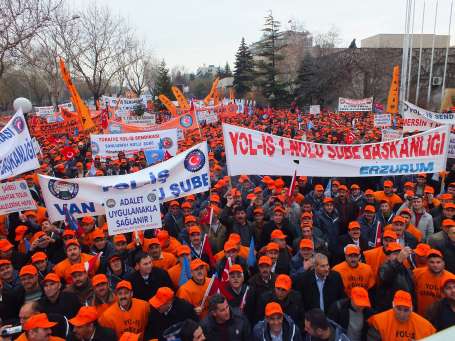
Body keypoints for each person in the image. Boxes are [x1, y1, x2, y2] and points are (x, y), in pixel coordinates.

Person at [367, 290, 436, 340]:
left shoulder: (425, 327)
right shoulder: (379, 322)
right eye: (399, 309)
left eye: (406, 310)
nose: (402, 314)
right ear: (393, 307)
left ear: (411, 309)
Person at [412, 248, 454, 316]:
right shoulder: (417, 273)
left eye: (438, 262)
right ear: (427, 263)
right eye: (432, 262)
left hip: (442, 317)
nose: (435, 265)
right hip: (421, 315)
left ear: (443, 263)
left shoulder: (451, 278)